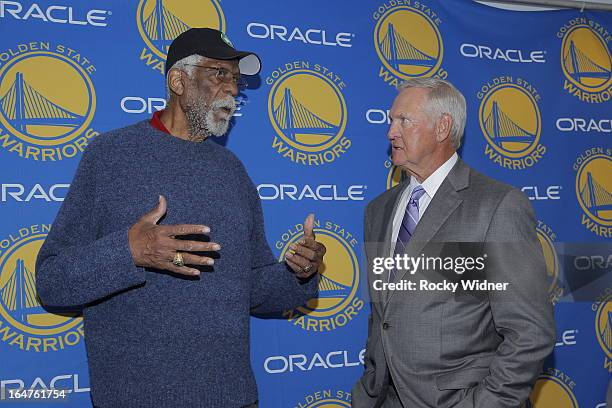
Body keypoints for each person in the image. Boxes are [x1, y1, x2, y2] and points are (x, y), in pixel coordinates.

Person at [35, 28, 326, 408]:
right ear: (178, 81)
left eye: (236, 80)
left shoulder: (232, 170)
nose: (232, 90)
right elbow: (52, 281)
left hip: (232, 398)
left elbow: (252, 288)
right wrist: (129, 252)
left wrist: (298, 273)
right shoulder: (109, 156)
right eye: (219, 74)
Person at [352, 78, 555, 408]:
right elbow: (383, 317)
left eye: (403, 120)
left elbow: (529, 331)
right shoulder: (378, 211)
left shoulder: (497, 205)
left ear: (443, 127)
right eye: (391, 121)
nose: (391, 132)